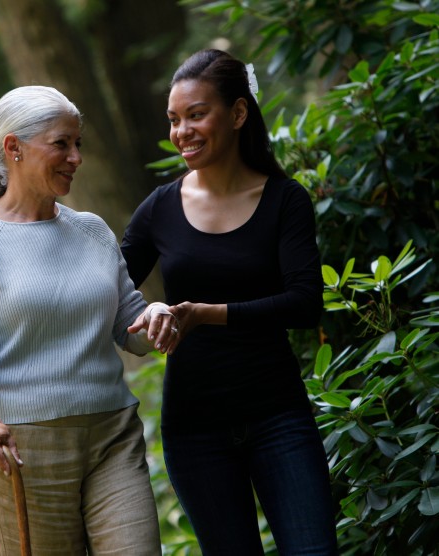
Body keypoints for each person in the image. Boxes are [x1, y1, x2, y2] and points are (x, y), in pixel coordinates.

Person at [0, 85, 179, 556]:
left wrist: (154, 316)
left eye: (78, 144)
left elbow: (128, 324)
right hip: (24, 450)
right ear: (14, 148)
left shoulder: (92, 230)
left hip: (112, 435)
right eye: (61, 144)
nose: (76, 157)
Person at [121, 50, 338, 555]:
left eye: (196, 114)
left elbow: (305, 304)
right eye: (174, 119)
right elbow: (108, 288)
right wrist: (152, 311)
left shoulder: (285, 201)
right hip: (194, 429)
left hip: (278, 418)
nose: (182, 131)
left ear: (239, 114)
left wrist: (207, 314)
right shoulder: (159, 209)